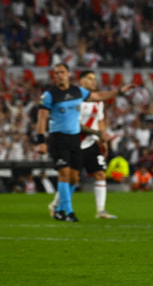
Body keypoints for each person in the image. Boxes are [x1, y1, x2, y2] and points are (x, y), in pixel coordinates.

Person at [36, 63, 134, 222]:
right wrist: (40, 141)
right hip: (58, 138)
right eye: (56, 73)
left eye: (62, 72)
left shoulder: (77, 92)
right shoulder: (49, 95)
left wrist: (120, 92)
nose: (59, 75)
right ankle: (69, 212)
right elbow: (41, 118)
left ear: (68, 74)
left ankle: (59, 208)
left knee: (74, 178)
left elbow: (99, 98)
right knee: (64, 173)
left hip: (76, 139)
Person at [48, 70, 119, 219]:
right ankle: (56, 205)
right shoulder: (74, 98)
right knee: (72, 178)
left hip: (90, 142)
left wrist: (102, 139)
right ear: (80, 81)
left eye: (94, 79)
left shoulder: (97, 101)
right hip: (74, 142)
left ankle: (101, 210)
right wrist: (97, 133)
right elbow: (74, 123)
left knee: (100, 173)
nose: (93, 82)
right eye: (89, 79)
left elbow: (100, 120)